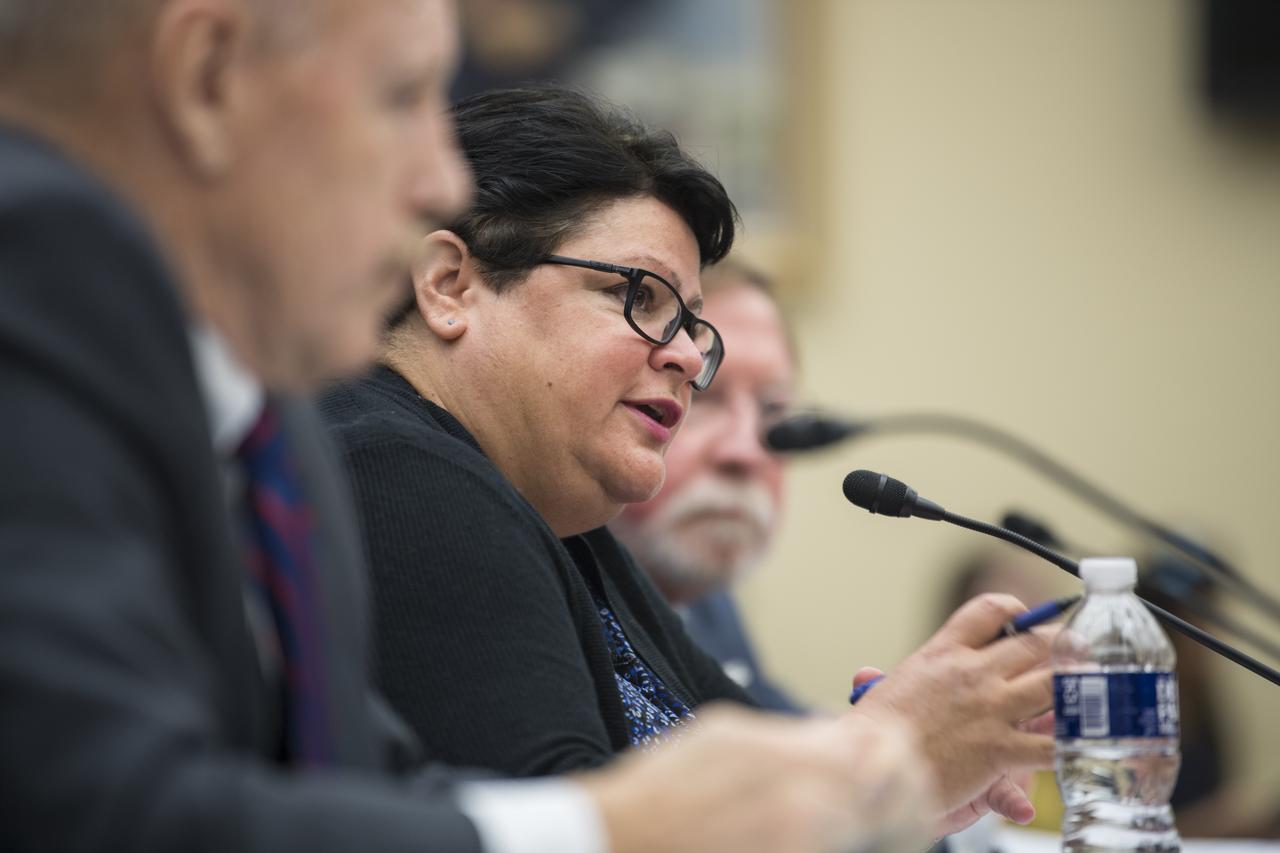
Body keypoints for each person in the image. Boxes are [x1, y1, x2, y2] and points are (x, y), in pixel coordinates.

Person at [0, 2, 937, 852]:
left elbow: (372, 781)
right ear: (209, 74)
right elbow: (92, 808)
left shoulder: (279, 435)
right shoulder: (33, 283)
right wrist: (612, 828)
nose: (441, 179)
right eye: (402, 96)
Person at [320, 82, 1057, 838]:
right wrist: (888, 755)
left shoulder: (564, 522)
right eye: (640, 297)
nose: (684, 357)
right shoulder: (395, 473)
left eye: (690, 325)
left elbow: (756, 765)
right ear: (450, 286)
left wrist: (908, 767)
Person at [608, 260, 803, 712]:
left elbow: (768, 721)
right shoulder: (550, 595)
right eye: (704, 394)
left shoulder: (702, 597)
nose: (745, 451)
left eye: (773, 408)